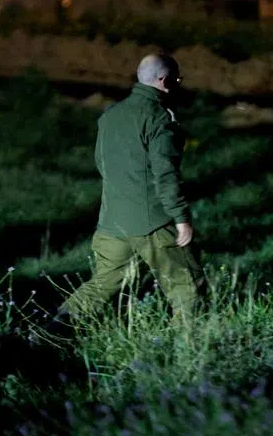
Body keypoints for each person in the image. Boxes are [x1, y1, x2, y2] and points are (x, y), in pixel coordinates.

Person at [58, 53, 206, 321]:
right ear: (165, 80)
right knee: (187, 285)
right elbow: (166, 174)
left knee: (104, 283)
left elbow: (102, 163)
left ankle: (54, 329)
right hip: (152, 222)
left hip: (112, 221)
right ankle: (187, 351)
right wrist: (181, 218)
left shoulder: (110, 115)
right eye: (177, 79)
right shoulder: (159, 118)